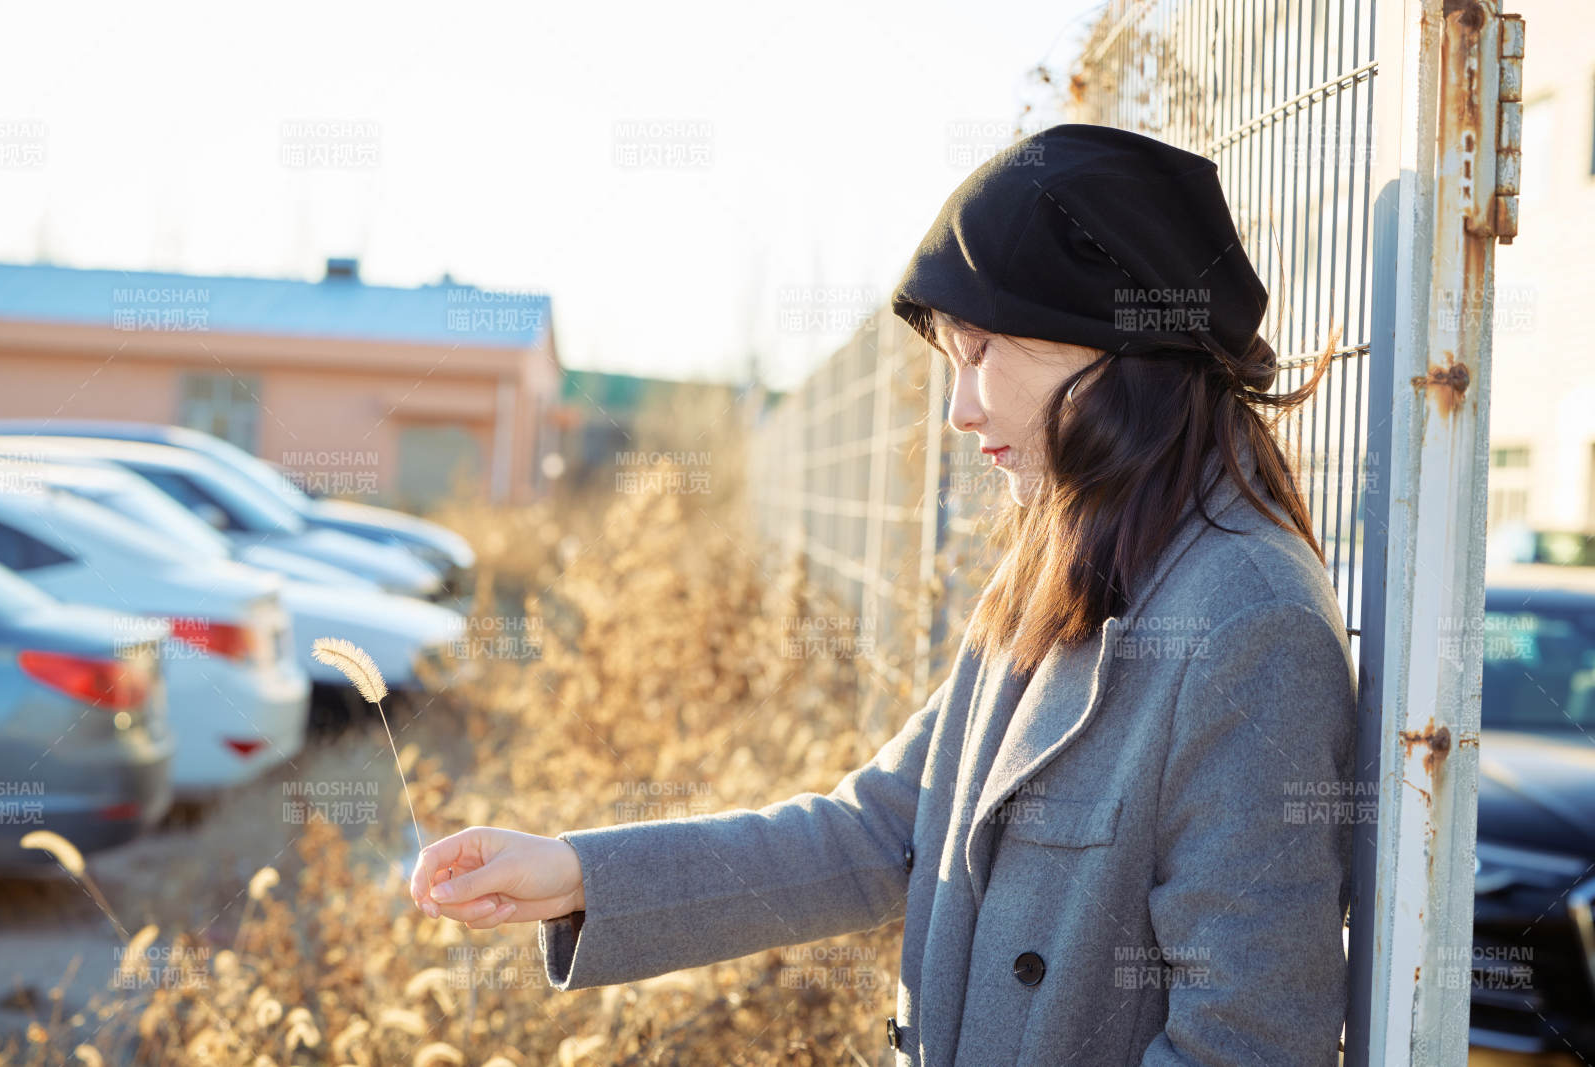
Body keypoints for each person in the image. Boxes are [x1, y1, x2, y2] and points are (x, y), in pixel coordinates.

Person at [409, 123, 1356, 1065]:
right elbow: (882, 830)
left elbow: (1248, 1044)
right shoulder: (1060, 565)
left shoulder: (1250, 621)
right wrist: (578, 873)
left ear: (1104, 342)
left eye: (980, 350)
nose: (960, 408)